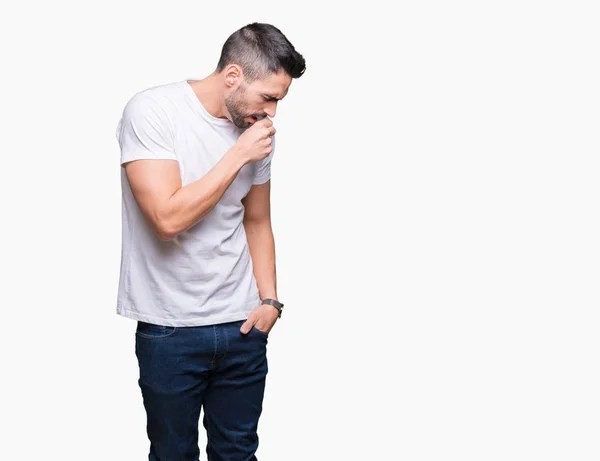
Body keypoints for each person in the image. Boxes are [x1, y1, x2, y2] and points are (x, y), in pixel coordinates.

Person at [115, 22, 306, 461]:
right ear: (233, 76)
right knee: (172, 455)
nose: (273, 113)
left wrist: (270, 302)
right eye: (269, 97)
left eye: (279, 101)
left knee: (238, 452)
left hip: (242, 325)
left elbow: (257, 221)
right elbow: (168, 218)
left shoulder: (255, 129)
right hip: (170, 329)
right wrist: (237, 153)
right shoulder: (152, 111)